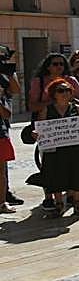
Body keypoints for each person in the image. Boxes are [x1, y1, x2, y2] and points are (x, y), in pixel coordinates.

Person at [28, 53, 79, 209]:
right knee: (50, 162)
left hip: (69, 127)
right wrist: (53, 101)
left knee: (70, 160)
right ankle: (49, 196)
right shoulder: (39, 81)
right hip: (47, 125)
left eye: (61, 64)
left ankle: (71, 194)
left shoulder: (71, 81)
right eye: (55, 64)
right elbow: (32, 106)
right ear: (48, 66)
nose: (59, 67)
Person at [33, 79, 79, 218]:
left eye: (67, 90)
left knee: (77, 171)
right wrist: (35, 133)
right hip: (55, 148)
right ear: (54, 94)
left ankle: (77, 201)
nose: (64, 93)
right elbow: (40, 127)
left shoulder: (77, 108)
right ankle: (59, 202)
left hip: (75, 146)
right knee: (55, 173)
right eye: (61, 90)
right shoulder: (47, 109)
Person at [0, 63, 18, 214]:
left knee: (1, 170)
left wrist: (10, 74)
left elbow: (7, 114)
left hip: (1, 131)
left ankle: (2, 201)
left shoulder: (4, 79)